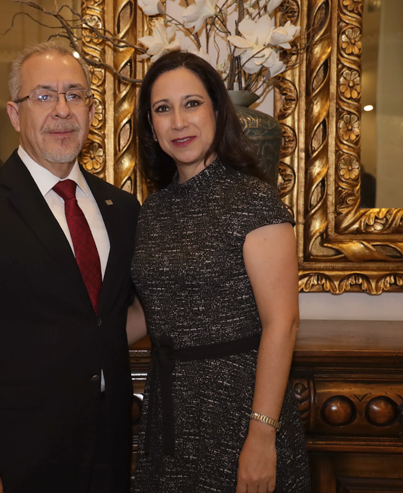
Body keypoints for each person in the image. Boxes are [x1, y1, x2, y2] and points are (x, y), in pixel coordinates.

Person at [0, 41, 140, 493]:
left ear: (92, 112)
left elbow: (107, 322)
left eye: (74, 95)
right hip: (13, 462)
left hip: (109, 454)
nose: (62, 110)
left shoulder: (122, 209)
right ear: (15, 115)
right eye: (43, 96)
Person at [127, 51, 310, 492]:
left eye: (191, 104)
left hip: (241, 413)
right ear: (151, 125)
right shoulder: (153, 210)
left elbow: (282, 324)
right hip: (170, 413)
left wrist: (262, 436)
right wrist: (71, 343)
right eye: (163, 109)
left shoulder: (254, 201)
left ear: (217, 110)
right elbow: (152, 312)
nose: (178, 122)